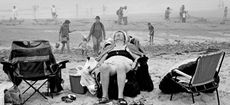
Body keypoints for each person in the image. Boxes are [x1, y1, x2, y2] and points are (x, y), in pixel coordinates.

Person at [95, 31, 143, 104]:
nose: (118, 35)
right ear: (114, 38)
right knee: (104, 66)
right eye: (116, 35)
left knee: (120, 66)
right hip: (112, 64)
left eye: (120, 35)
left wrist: (133, 60)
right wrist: (99, 65)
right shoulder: (109, 48)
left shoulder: (129, 46)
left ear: (124, 38)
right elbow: (101, 61)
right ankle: (105, 96)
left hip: (125, 64)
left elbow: (138, 57)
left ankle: (120, 97)